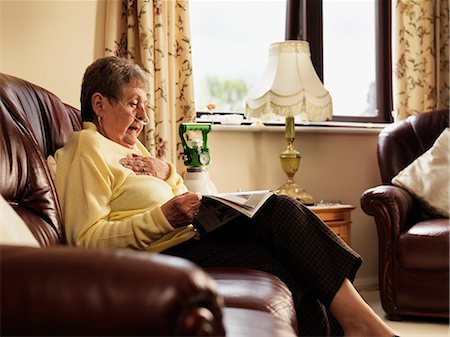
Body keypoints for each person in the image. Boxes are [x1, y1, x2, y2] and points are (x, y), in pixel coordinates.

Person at [53, 56, 397, 337]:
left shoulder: (130, 147)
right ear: (99, 103)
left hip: (187, 239)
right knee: (281, 209)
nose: (144, 116)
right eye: (134, 104)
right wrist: (163, 218)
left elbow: (180, 198)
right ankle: (363, 325)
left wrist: (168, 174)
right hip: (159, 256)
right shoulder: (87, 148)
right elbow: (86, 241)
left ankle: (353, 328)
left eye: (145, 106)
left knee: (283, 258)